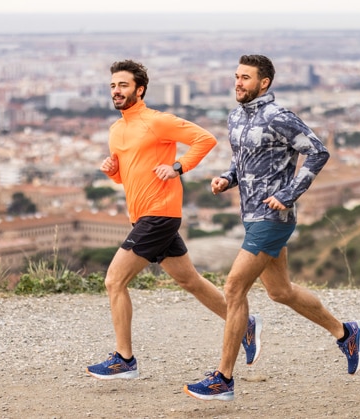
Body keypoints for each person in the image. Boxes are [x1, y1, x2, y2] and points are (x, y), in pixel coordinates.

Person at [184, 55, 360, 401]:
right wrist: (227, 178)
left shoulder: (280, 117)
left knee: (234, 288)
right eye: (236, 76)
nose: (238, 83)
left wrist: (289, 193)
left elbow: (317, 152)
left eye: (246, 78)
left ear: (263, 82)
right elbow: (242, 161)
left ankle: (223, 379)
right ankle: (346, 333)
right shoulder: (235, 117)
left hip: (274, 219)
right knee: (280, 291)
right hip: (250, 214)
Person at [86, 59, 263, 380]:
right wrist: (113, 173)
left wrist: (179, 167)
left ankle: (124, 360)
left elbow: (205, 139)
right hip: (142, 216)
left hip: (159, 215)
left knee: (114, 280)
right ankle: (242, 324)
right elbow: (128, 179)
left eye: (123, 85)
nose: (116, 91)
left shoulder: (156, 121)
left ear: (139, 90)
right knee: (189, 281)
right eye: (113, 85)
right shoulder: (116, 130)